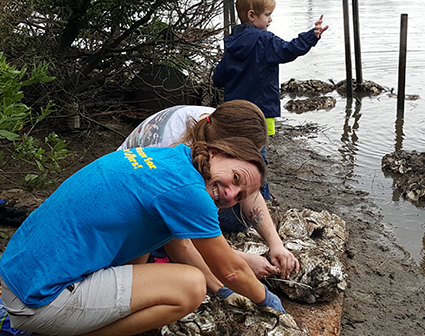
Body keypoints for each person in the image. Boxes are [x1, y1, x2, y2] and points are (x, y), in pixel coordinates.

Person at [0, 138, 285, 336]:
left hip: (18, 273)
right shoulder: (190, 193)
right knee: (191, 287)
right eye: (235, 178)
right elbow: (231, 271)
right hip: (41, 300)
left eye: (241, 197)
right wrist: (267, 301)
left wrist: (221, 291)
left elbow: (176, 244)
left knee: (160, 266)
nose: (231, 194)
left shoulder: (170, 157)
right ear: (216, 153)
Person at [118, 100, 300, 280]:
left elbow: (248, 189)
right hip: (130, 200)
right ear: (221, 151)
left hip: (166, 189)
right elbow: (181, 239)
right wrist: (241, 261)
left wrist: (276, 244)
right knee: (229, 217)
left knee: (239, 200)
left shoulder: (220, 123)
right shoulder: (175, 154)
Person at [213, 0, 328, 138]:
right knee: (259, 150)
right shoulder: (266, 40)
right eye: (267, 15)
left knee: (238, 148)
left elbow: (219, 76)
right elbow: (289, 50)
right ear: (252, 15)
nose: (270, 19)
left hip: (235, 111)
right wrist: (311, 36)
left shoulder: (233, 43)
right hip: (261, 110)